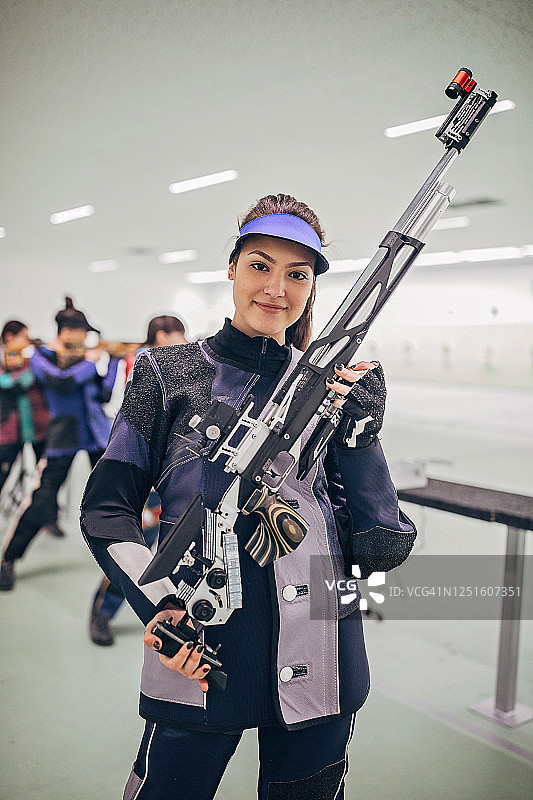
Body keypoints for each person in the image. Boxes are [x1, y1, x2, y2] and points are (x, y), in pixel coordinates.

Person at [80, 194, 416, 800]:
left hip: (322, 648)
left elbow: (380, 546)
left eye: (298, 274)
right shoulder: (165, 372)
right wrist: (161, 610)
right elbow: (106, 508)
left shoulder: (328, 390)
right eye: (260, 266)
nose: (277, 289)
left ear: (313, 285)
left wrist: (364, 436)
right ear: (231, 268)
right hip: (200, 646)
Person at [0, 298, 119, 591]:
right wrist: (91, 364)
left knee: (117, 496)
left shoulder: (83, 357)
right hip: (63, 435)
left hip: (96, 433)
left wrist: (113, 361)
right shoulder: (42, 355)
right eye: (82, 332)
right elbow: (61, 383)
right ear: (68, 331)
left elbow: (103, 395)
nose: (86, 338)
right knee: (41, 500)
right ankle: (8, 559)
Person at [90, 314, 187, 646]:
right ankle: (102, 611)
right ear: (160, 336)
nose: (182, 343)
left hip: (174, 472)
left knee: (173, 551)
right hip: (141, 468)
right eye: (176, 336)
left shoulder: (186, 366)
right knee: (133, 549)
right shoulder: (145, 365)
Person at [0, 321, 48, 500]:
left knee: (44, 479)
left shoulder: (29, 358)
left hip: (33, 428)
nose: (27, 341)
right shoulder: (7, 360)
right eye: (23, 337)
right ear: (9, 337)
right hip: (7, 432)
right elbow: (9, 382)